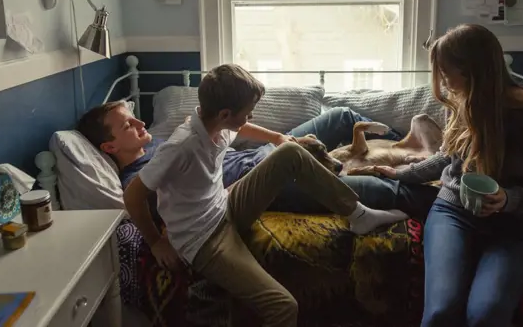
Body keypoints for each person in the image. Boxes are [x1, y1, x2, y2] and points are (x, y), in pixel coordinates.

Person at [118, 64, 408, 327]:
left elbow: (242, 127)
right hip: (205, 240)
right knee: (283, 308)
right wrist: (156, 241)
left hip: (225, 204)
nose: (250, 116)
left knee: (291, 151)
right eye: (247, 111)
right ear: (224, 114)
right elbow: (133, 196)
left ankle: (358, 214)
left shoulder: (214, 125)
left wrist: (276, 137)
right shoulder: (180, 147)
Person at [372, 24, 523, 327]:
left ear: (473, 71)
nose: (444, 82)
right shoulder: (464, 101)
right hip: (453, 213)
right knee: (440, 312)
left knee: (485, 315)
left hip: (512, 227)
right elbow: (447, 159)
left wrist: (507, 199)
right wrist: (401, 173)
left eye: (446, 72)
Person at [77, 104, 438, 220]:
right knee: (379, 190)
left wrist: (281, 137)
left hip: (265, 153)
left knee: (341, 116)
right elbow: (203, 205)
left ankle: (412, 149)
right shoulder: (139, 182)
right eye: (128, 124)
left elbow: (226, 126)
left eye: (136, 116)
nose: (141, 123)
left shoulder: (160, 142)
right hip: (270, 184)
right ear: (108, 147)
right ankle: (446, 200)